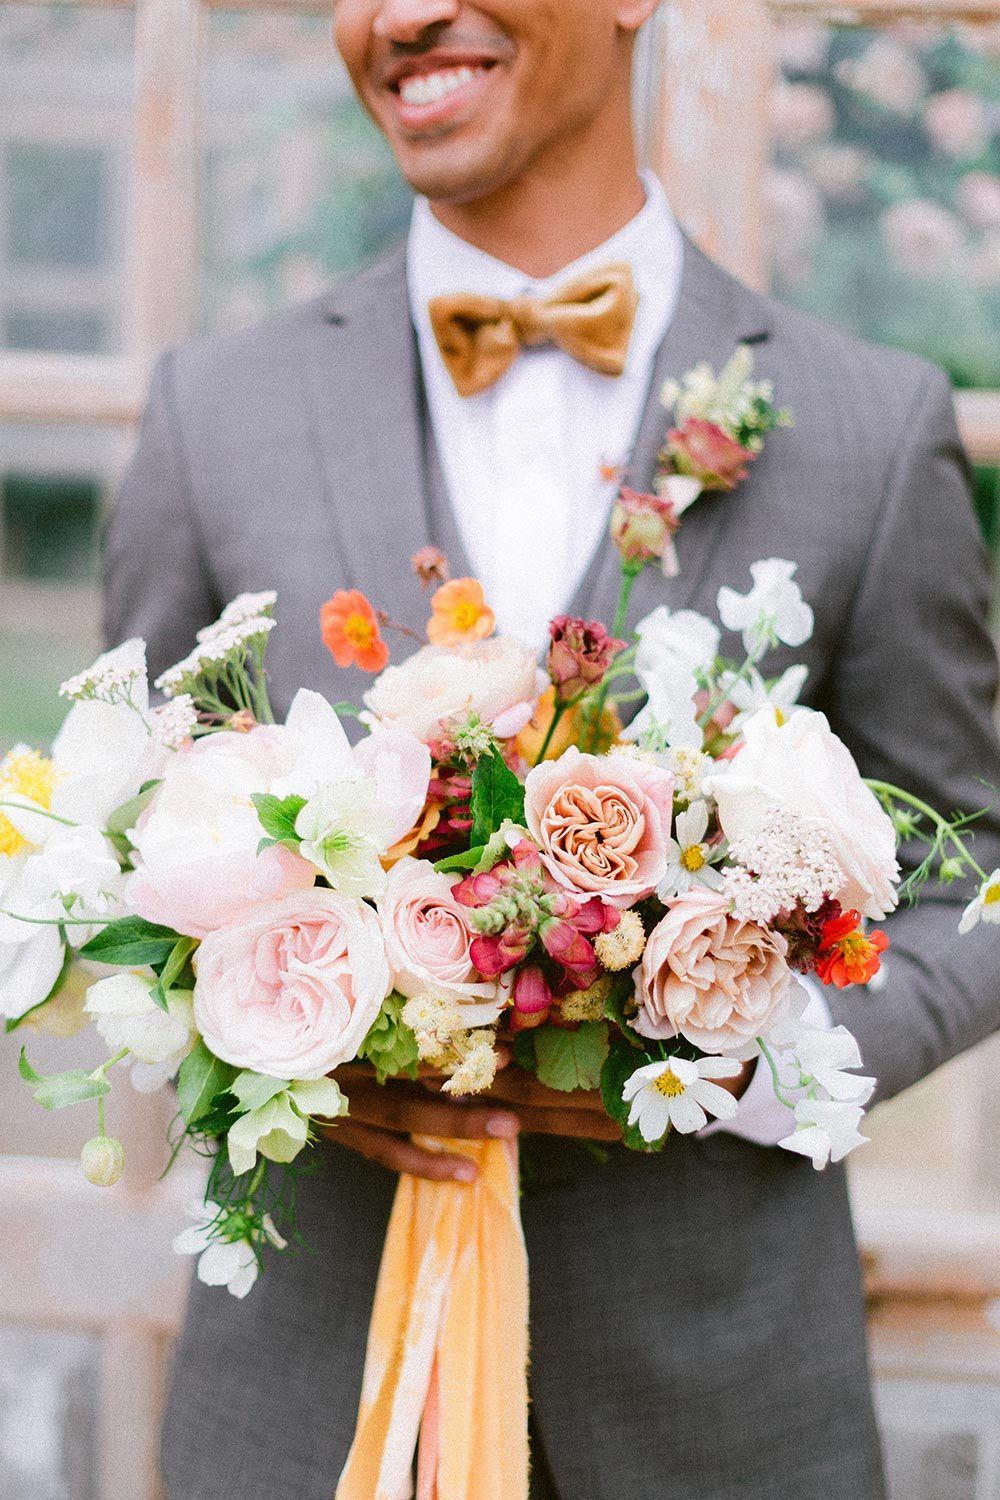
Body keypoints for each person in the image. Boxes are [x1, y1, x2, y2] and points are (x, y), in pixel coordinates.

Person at [104, 2, 1000, 1496]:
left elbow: (975, 872)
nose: (400, 19)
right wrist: (287, 1032)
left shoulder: (866, 423)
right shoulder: (217, 412)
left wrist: (755, 1059)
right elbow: (123, 836)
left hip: (720, 1412)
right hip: (306, 1410)